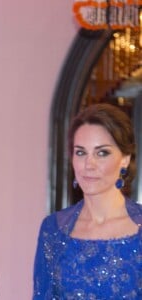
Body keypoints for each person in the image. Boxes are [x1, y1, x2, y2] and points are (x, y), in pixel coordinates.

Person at [33, 103, 142, 299]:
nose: (88, 165)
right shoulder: (53, 229)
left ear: (125, 159)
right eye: (81, 152)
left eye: (102, 153)